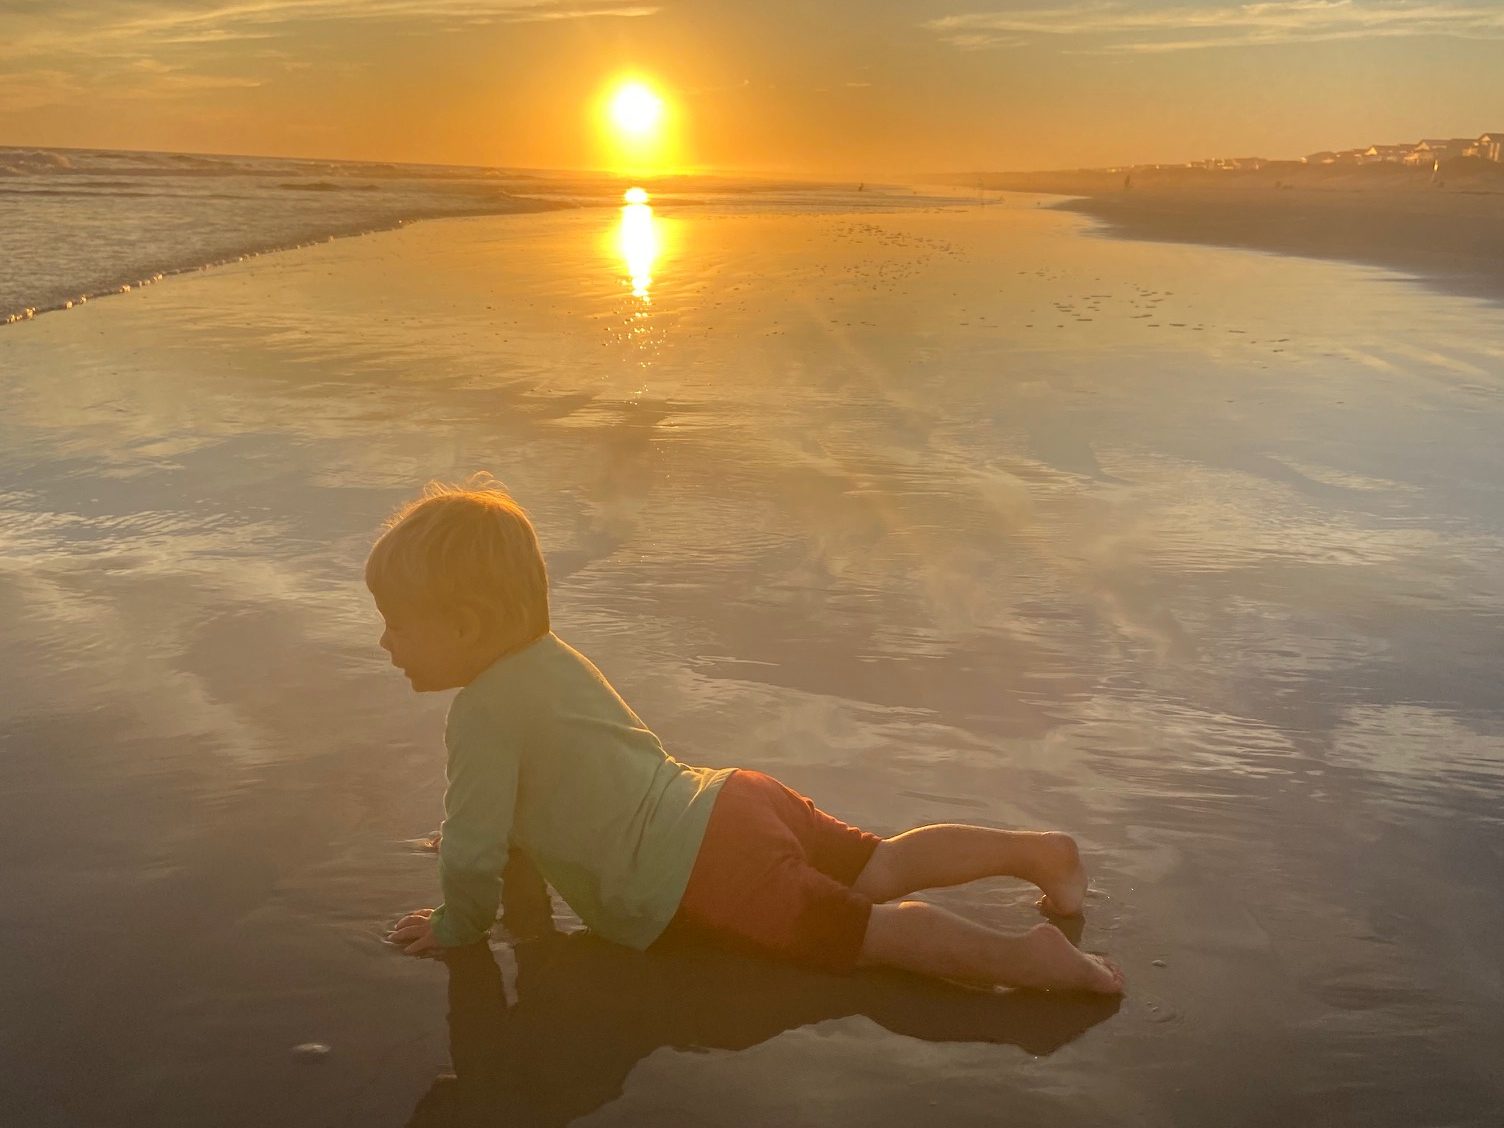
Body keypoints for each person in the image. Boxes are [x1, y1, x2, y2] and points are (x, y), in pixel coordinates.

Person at [373, 476, 1124, 995]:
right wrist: (497, 832)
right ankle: (1038, 853)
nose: (385, 643)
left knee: (864, 933)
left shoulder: (480, 713)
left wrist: (459, 923)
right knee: (881, 863)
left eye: (396, 624)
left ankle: (1028, 962)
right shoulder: (554, 659)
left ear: (465, 625)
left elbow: (472, 851)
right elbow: (570, 777)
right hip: (731, 799)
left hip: (700, 874)